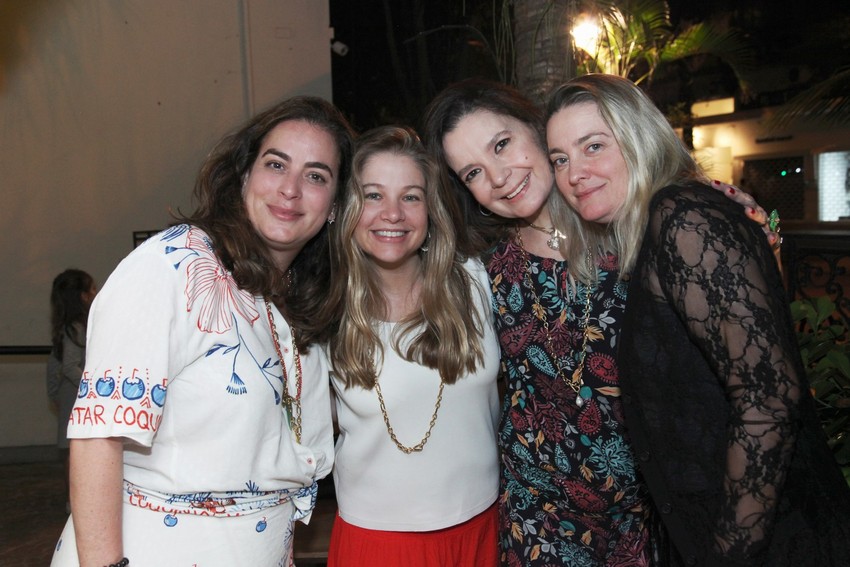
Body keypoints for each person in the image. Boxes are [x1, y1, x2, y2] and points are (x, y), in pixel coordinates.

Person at [421, 78, 779, 566]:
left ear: (537, 129)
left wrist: (737, 221)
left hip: (656, 514)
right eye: (473, 173)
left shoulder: (640, 227)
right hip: (539, 518)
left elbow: (753, 362)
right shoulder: (484, 267)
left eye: (501, 145)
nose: (499, 177)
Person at [544, 73, 850, 566]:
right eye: (560, 159)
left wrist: (730, 553)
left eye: (593, 146)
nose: (574, 173)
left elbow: (769, 397)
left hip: (771, 535)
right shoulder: (649, 229)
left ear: (640, 138)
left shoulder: (683, 215)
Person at [51, 96, 355, 567]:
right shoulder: (171, 266)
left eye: (316, 176)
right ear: (244, 175)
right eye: (276, 164)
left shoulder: (301, 299)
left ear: (334, 205)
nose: (290, 189)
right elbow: (98, 438)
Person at [325, 126, 501, 566]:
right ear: (346, 209)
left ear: (430, 209)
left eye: (410, 197)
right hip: (379, 541)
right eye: (373, 195)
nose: (393, 214)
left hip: (483, 525)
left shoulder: (475, 280)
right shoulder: (325, 311)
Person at [47, 268, 98, 512]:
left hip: (73, 394)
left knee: (76, 450)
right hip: (75, 395)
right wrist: (93, 389)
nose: (96, 292)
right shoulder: (75, 328)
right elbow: (68, 366)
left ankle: (77, 499)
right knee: (74, 451)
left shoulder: (70, 327)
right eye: (92, 288)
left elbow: (54, 366)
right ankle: (73, 501)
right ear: (83, 296)